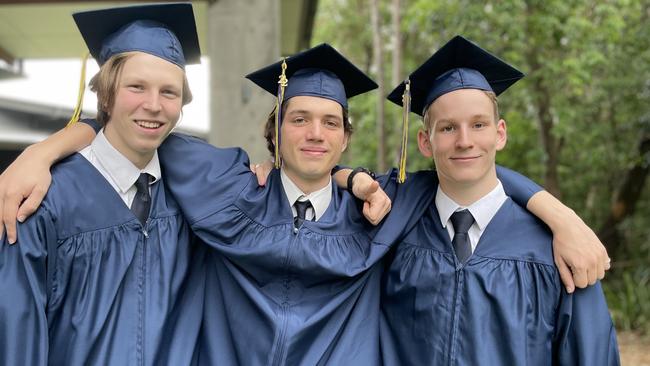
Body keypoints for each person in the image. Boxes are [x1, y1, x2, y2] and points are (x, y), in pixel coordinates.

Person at [0, 45, 609, 365]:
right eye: (299, 119)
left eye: (330, 122)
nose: (314, 134)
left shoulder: (388, 204)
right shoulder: (226, 190)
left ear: (347, 139)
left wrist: (560, 214)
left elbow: (472, 179)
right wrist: (50, 146)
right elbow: (133, 136)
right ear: (275, 131)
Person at [379, 35, 619, 365]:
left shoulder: (556, 248)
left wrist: (561, 217)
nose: (465, 141)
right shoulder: (394, 232)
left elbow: (590, 355)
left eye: (478, 125)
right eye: (448, 128)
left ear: (500, 133)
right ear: (424, 141)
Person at [0, 3, 210, 365]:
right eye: (136, 87)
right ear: (106, 95)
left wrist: (344, 177)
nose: (154, 105)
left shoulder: (197, 192)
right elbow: (18, 337)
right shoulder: (42, 200)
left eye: (169, 92)